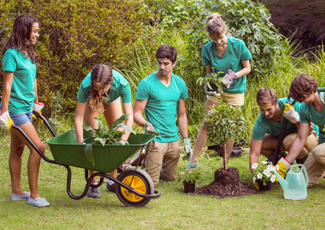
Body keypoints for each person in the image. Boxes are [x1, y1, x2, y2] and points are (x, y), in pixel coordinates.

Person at [187, 13, 252, 172]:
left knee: (230, 126)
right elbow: (209, 73)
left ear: (226, 31)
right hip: (217, 89)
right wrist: (210, 85)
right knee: (206, 123)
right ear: (210, 36)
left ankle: (225, 164)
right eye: (215, 39)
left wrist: (234, 75)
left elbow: (247, 68)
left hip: (235, 90)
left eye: (221, 38)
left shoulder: (238, 45)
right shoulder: (207, 49)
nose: (219, 41)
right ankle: (193, 160)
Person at [0, 14, 50, 207]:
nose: (37, 35)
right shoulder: (11, 55)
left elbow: (33, 80)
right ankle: (34, 196)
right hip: (15, 110)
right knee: (38, 147)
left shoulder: (28, 54)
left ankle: (16, 191)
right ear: (24, 30)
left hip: (27, 108)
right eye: (35, 31)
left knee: (18, 149)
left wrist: (36, 103)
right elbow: (7, 86)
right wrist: (4, 112)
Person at [133, 44, 192, 187]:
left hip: (173, 140)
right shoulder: (146, 84)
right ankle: (133, 164)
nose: (162, 67)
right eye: (159, 63)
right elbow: (136, 114)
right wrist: (146, 124)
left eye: (166, 63)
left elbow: (182, 115)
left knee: (170, 177)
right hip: (156, 140)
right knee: (152, 183)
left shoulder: (179, 83)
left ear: (174, 63)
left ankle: (144, 158)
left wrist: (186, 140)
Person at [75, 64, 133, 197]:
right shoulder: (86, 85)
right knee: (93, 136)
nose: (100, 91)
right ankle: (93, 183)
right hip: (92, 98)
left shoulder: (122, 84)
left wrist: (122, 143)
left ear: (110, 83)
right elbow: (78, 119)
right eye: (97, 87)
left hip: (113, 98)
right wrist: (81, 144)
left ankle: (111, 181)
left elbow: (129, 118)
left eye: (103, 88)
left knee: (117, 135)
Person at [249, 87, 318, 173]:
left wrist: (296, 120)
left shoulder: (292, 105)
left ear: (276, 103)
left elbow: (308, 129)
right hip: (286, 139)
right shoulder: (262, 121)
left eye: (269, 109)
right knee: (255, 144)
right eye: (262, 110)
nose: (266, 113)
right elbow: (254, 154)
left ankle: (307, 168)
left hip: (310, 136)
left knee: (289, 140)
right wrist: (255, 175)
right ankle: (284, 161)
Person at [279, 74, 325, 187]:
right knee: (302, 181)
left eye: (303, 98)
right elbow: (301, 138)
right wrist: (284, 164)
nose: (301, 102)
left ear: (311, 91)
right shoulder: (305, 108)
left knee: (318, 152)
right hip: (323, 145)